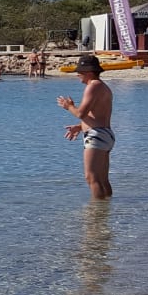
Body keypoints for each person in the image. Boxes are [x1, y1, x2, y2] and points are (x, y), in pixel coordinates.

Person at [58, 54, 114, 199]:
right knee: (102, 179)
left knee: (91, 178)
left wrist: (69, 106)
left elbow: (80, 113)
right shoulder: (102, 86)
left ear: (88, 72)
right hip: (105, 134)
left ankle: (97, 211)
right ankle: (107, 207)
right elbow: (97, 115)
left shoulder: (93, 86)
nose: (77, 75)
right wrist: (80, 127)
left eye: (79, 72)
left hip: (96, 136)